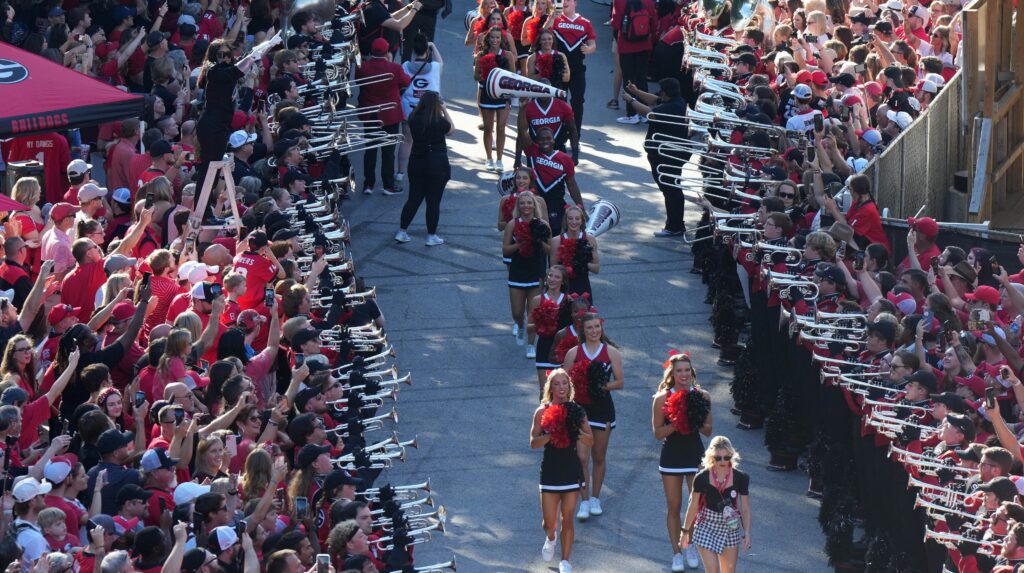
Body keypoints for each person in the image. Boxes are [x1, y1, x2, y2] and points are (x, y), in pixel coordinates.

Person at [653, 352, 712, 571]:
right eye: (679, 370)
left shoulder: (702, 396)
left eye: (687, 370)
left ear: (692, 372)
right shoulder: (662, 398)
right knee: (674, 505)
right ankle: (676, 553)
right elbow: (658, 433)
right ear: (672, 373)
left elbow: (708, 430)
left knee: (696, 505)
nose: (684, 374)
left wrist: (693, 419)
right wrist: (677, 422)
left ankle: (690, 545)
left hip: (695, 454)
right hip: (671, 456)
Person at [562, 312, 624, 521]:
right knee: (581, 457)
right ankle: (585, 500)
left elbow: (620, 382)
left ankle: (595, 498)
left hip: (602, 409)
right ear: (583, 330)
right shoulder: (574, 352)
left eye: (597, 327)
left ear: (601, 328)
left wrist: (600, 386)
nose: (594, 331)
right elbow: (563, 380)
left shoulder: (611, 352)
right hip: (580, 410)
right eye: (589, 328)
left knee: (598, 456)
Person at [530, 368, 592, 573]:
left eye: (564, 383)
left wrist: (575, 431)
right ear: (551, 387)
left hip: (570, 470)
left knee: (568, 517)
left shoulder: (577, 411)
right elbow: (533, 442)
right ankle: (551, 537)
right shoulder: (542, 410)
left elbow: (590, 439)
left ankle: (565, 560)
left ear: (569, 386)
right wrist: (552, 433)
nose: (561, 387)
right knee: (549, 522)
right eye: (556, 383)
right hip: (549, 470)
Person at [624, 78, 689, 237]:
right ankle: (675, 224)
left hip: (667, 155)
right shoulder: (676, 101)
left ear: (666, 93)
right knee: (670, 189)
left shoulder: (672, 107)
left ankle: (674, 226)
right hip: (665, 154)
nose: (659, 94)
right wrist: (636, 91)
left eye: (661, 91)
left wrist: (631, 100)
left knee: (670, 190)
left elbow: (650, 113)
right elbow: (655, 100)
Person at [682, 436, 751, 573]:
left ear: (732, 455)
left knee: (728, 571)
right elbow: (693, 504)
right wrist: (685, 531)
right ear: (712, 457)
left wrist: (747, 532)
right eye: (718, 458)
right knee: (712, 570)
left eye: (727, 457)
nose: (723, 461)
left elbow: (745, 508)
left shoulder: (741, 478)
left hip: (729, 526)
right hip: (706, 525)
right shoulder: (702, 477)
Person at [394, 91, 454, 247]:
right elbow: (451, 129)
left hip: (417, 161)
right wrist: (445, 109)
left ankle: (402, 231)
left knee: (414, 198)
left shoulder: (413, 118)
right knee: (433, 201)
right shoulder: (438, 121)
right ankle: (431, 235)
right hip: (437, 162)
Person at [357, 38, 411, 196]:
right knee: (388, 151)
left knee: (370, 150)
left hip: (371, 114)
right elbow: (406, 82)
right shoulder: (394, 67)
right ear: (387, 52)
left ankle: (368, 184)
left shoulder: (363, 67)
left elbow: (359, 83)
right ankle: (388, 185)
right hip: (390, 114)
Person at [503, 192, 551, 348]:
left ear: (534, 205)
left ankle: (531, 345)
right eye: (522, 203)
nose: (526, 206)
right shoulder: (512, 224)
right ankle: (520, 325)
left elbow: (550, 249)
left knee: (533, 313)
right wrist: (520, 244)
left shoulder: (542, 223)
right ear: (518, 206)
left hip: (535, 271)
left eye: (529, 203)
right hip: (517, 272)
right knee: (517, 312)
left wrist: (538, 241)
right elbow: (505, 250)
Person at [397, 35, 444, 182]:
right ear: (427, 51)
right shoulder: (435, 68)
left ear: (413, 51)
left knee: (407, 141)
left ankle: (400, 173)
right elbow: (440, 61)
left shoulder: (405, 66)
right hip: (429, 111)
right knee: (428, 143)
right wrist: (433, 46)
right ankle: (426, 174)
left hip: (409, 109)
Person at [550, 0, 596, 135]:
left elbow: (593, 44)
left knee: (577, 102)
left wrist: (589, 49)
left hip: (577, 69)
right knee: (559, 102)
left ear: (575, 3)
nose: (564, 2)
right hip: (558, 68)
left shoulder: (585, 22)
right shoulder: (556, 19)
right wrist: (552, 17)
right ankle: (560, 135)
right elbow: (544, 33)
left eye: (568, 0)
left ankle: (575, 135)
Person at [474, 26, 514, 172]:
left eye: (497, 37)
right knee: (488, 128)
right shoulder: (481, 55)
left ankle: (499, 160)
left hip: (502, 96)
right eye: (492, 37)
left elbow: (513, 77)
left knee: (501, 128)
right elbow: (476, 76)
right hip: (487, 94)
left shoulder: (507, 55)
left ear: (501, 39)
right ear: (488, 39)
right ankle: (489, 158)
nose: (495, 40)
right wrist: (487, 74)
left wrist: (501, 80)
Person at [527, 265, 571, 381]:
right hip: (544, 348)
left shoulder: (568, 300)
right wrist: (541, 324)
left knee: (563, 391)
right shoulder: (537, 300)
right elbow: (529, 327)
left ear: (563, 281)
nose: (552, 279)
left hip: (562, 349)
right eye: (550, 275)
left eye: (557, 277)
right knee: (544, 391)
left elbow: (573, 327)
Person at [548, 205, 599, 300]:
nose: (574, 222)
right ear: (566, 220)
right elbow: (553, 269)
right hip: (562, 288)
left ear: (582, 221)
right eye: (570, 218)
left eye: (577, 219)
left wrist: (582, 263)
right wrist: (566, 267)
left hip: (583, 286)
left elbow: (596, 268)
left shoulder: (590, 239)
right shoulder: (556, 241)